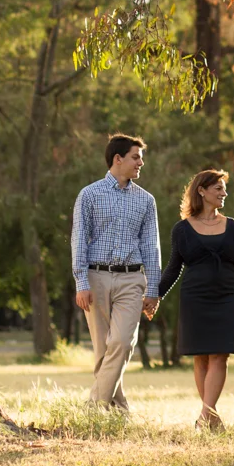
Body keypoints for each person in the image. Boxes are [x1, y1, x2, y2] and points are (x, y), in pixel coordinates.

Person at [158, 168, 234, 431]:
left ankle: (205, 415)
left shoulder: (233, 226)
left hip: (227, 296)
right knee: (201, 357)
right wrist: (155, 294)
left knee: (220, 355)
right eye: (218, 188)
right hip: (195, 296)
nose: (224, 193)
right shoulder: (182, 229)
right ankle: (211, 418)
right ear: (201, 191)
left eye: (224, 188)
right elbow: (173, 267)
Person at [71, 133, 161, 412]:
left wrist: (153, 290)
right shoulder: (89, 194)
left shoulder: (146, 200)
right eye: (136, 158)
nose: (140, 163)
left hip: (132, 279)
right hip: (96, 278)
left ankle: (93, 408)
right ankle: (119, 410)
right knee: (104, 351)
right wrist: (81, 282)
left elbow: (151, 246)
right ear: (118, 159)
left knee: (121, 343)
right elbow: (79, 239)